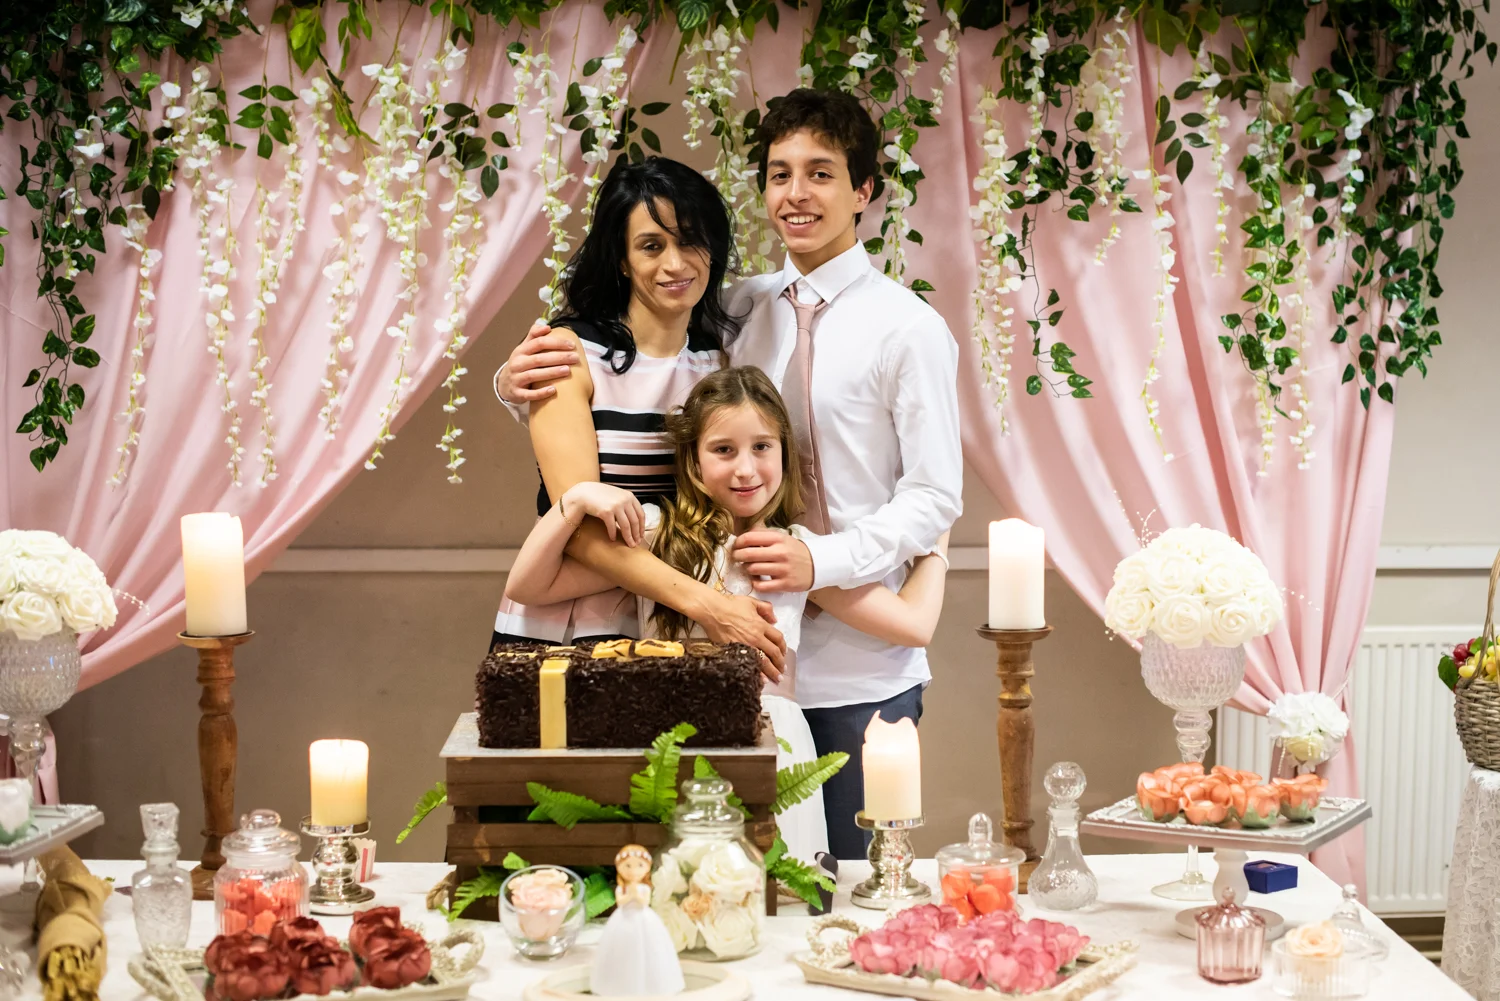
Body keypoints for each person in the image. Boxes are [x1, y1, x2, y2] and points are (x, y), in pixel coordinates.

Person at [496, 89, 963, 857]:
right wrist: (513, 384)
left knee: (847, 881)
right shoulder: (737, 312)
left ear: (864, 189)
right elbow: (640, 373)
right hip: (710, 652)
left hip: (856, 656)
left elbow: (935, 493)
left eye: (820, 173)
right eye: (780, 174)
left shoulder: (909, 328)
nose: (797, 193)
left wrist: (819, 560)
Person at [506, 366, 950, 865]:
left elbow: (913, 625)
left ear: (784, 452)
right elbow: (529, 586)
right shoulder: (660, 538)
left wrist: (936, 546)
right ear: (694, 461)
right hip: (671, 745)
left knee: (779, 887)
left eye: (761, 447)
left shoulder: (794, 553)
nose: (745, 469)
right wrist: (574, 500)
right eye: (723, 449)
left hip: (776, 744)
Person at [490, 155, 786, 669]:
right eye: (651, 246)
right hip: (566, 621)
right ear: (622, 260)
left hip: (673, 622)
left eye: (690, 241)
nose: (675, 264)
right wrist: (708, 603)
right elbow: (578, 528)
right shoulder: (570, 353)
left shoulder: (720, 360)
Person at [590, 844, 684, 996]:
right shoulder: (621, 888)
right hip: (624, 918)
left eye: (639, 865)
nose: (633, 870)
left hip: (643, 918)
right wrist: (630, 895)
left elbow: (644, 902)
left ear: (647, 868)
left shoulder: (645, 888)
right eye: (627, 866)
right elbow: (621, 902)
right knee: (622, 947)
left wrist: (636, 894)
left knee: (647, 946)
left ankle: (650, 984)